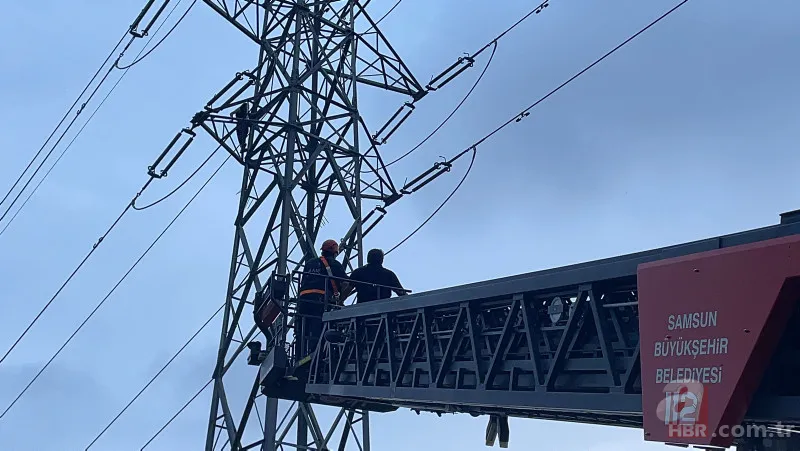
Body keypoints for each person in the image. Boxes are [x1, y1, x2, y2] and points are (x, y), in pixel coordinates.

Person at [296, 239, 350, 361]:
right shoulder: (335, 264)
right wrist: (341, 299)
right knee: (317, 325)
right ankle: (316, 353)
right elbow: (347, 283)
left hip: (303, 299)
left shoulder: (310, 263)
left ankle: (300, 355)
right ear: (335, 252)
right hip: (320, 298)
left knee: (302, 326)